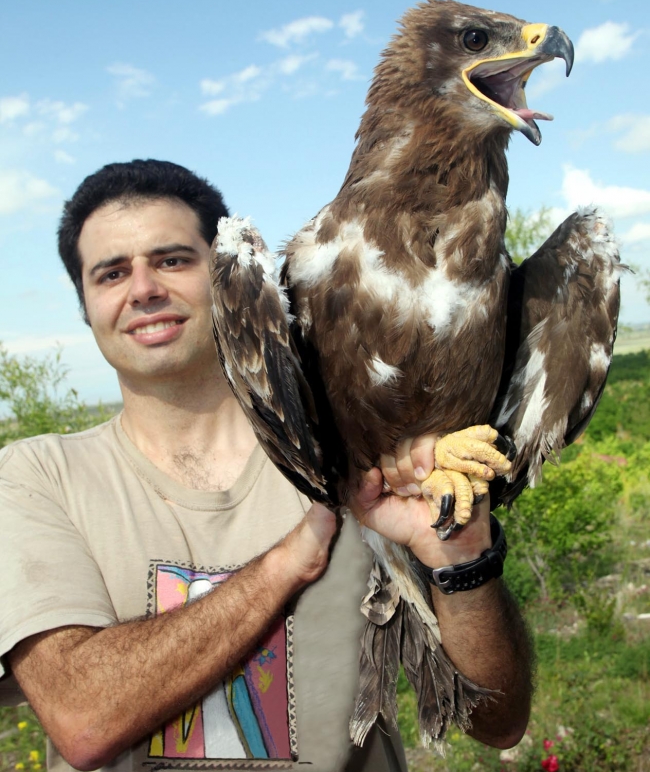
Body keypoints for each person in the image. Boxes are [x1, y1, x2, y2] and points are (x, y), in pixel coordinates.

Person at [0, 160, 532, 772]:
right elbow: (84, 717)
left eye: (173, 260)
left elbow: (499, 721)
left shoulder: (356, 464)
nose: (143, 288)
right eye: (111, 273)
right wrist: (287, 562)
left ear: (226, 273)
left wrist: (463, 558)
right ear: (85, 306)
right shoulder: (37, 478)